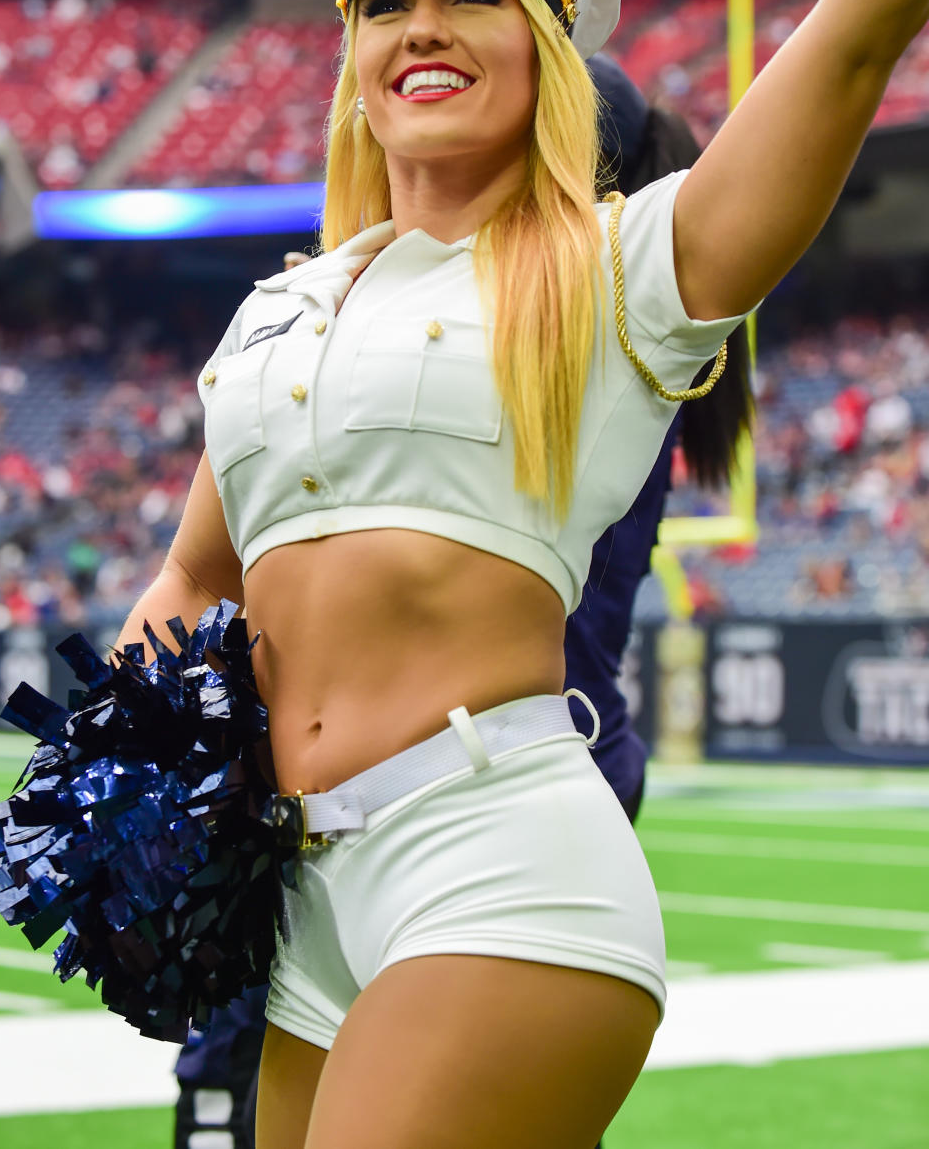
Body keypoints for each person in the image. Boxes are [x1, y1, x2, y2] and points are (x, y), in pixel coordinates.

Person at [116, 0, 929, 1148]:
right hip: (300, 895)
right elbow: (197, 571)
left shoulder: (620, 273)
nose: (419, 27)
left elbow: (851, 34)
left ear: (548, 48)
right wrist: (137, 777)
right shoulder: (279, 309)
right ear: (351, 55)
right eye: (386, 1)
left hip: (493, 857)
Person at [171, 60, 754, 1149]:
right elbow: (207, 564)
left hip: (486, 785)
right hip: (330, 833)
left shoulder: (595, 302)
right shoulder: (390, 305)